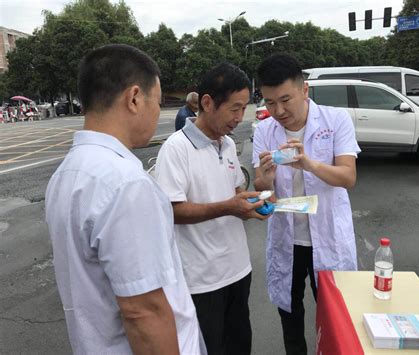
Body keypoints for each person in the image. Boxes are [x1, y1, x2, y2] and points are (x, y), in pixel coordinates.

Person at [45, 44, 205, 354]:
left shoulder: (66, 173)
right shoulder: (126, 183)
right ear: (134, 98)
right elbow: (143, 311)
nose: (158, 112)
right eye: (157, 102)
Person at [155, 63, 270, 355]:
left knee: (239, 345)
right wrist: (229, 207)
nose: (239, 117)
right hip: (201, 280)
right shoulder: (176, 149)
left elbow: (234, 193)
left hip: (238, 269)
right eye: (234, 108)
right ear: (207, 103)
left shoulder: (228, 144)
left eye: (244, 108)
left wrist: (253, 199)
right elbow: (173, 211)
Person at [252, 53, 361, 355]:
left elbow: (347, 177)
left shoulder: (335, 120)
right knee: (290, 314)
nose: (278, 110)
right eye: (270, 102)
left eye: (285, 99)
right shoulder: (264, 131)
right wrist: (265, 179)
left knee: (336, 313)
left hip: (327, 237)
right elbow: (262, 189)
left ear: (304, 90)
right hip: (289, 239)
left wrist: (309, 164)